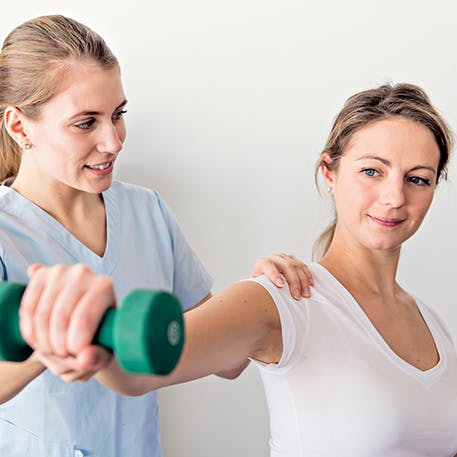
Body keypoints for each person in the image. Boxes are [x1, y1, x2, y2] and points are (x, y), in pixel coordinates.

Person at [22, 82, 457, 456]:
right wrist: (83, 339)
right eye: (371, 171)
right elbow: (143, 371)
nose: (394, 197)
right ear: (329, 172)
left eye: (417, 178)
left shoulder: (434, 326)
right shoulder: (283, 299)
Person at [0, 14, 313, 457]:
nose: (113, 141)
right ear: (19, 126)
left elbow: (226, 362)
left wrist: (262, 292)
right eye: (86, 123)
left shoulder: (147, 211)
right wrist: (53, 340)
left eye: (118, 115)